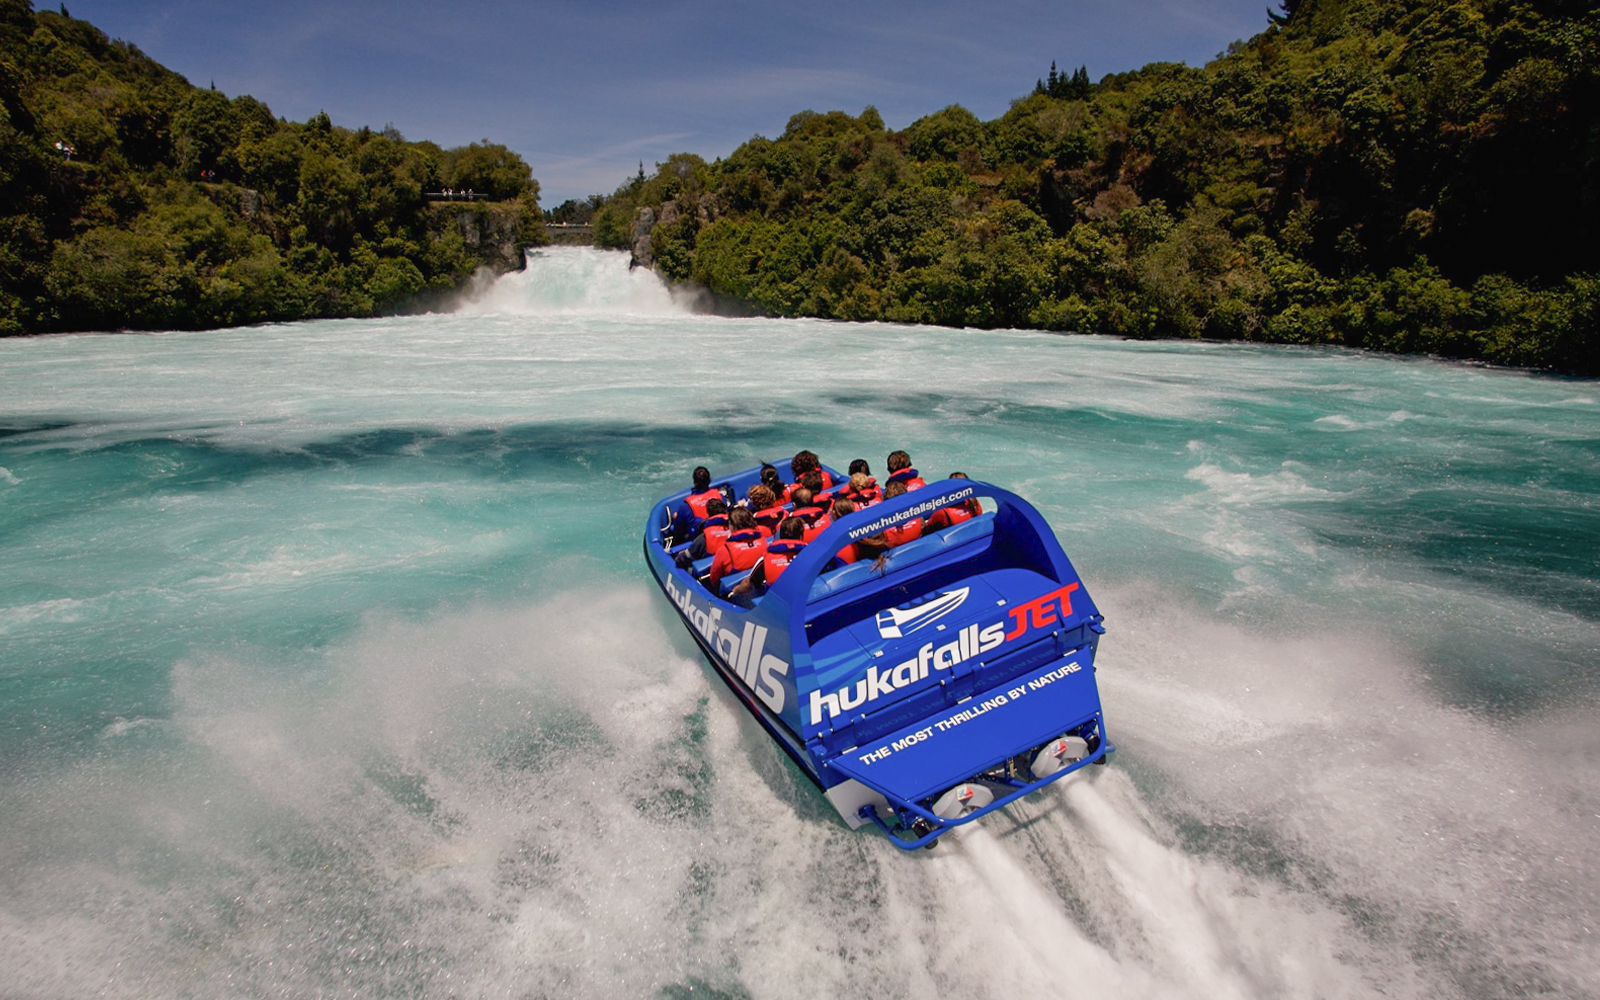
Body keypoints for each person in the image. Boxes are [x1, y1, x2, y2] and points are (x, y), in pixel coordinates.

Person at [729, 517, 807, 599]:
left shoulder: (765, 560)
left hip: (776, 602)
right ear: (801, 536)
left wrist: (736, 590)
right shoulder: (812, 555)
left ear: (780, 535)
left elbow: (750, 583)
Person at [708, 508, 767, 589]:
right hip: (759, 586)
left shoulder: (724, 550)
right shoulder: (764, 541)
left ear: (732, 525)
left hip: (735, 591)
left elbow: (714, 579)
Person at [672, 466, 723, 543]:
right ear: (709, 480)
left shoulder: (686, 507)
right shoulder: (720, 497)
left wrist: (675, 519)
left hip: (700, 541)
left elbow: (679, 531)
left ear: (694, 482)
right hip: (721, 535)